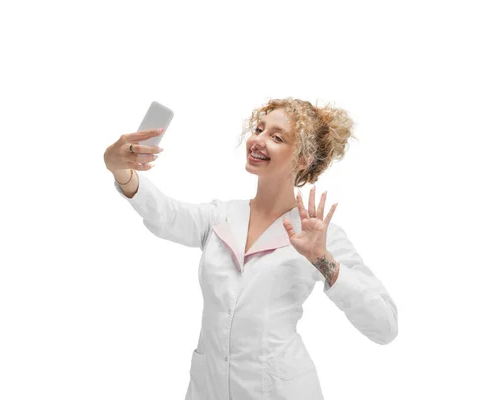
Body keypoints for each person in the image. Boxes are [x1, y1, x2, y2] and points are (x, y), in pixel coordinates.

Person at [103, 97, 398, 400]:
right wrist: (123, 173)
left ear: (303, 159)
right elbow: (168, 216)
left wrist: (322, 260)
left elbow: (384, 326)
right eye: (258, 129)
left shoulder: (321, 234)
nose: (258, 140)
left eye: (276, 136)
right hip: (209, 389)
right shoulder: (221, 216)